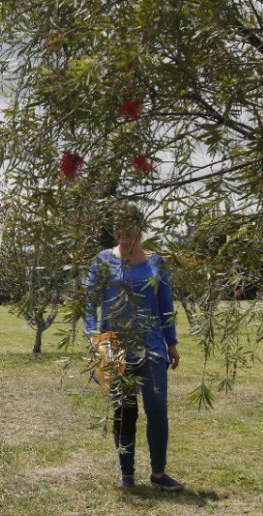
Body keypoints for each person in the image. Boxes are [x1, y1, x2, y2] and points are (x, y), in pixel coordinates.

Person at [84, 204, 184, 490]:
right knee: (124, 410)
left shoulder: (156, 263)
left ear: (141, 231)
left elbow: (165, 306)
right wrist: (93, 335)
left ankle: (159, 474)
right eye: (120, 234)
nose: (124, 240)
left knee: (157, 408)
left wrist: (171, 343)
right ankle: (126, 474)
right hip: (115, 347)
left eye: (130, 234)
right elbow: (89, 300)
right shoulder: (104, 260)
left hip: (151, 346)